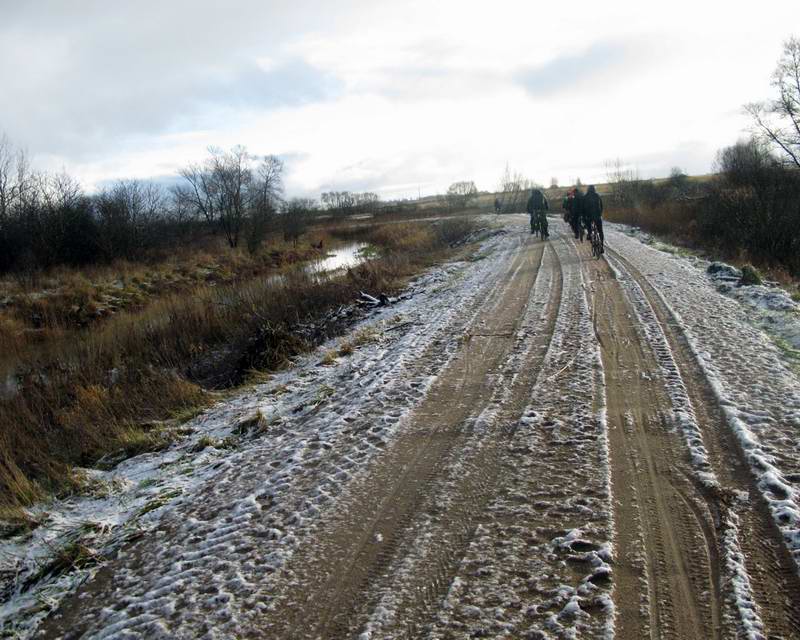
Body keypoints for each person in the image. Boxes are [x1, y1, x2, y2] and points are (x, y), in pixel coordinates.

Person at [584, 185, 604, 250]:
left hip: (589, 217)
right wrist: (600, 213)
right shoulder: (597, 196)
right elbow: (601, 205)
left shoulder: (585, 197)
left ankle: (589, 234)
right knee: (600, 231)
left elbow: (583, 208)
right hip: (598, 216)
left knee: (588, 226)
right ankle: (601, 246)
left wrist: (584, 215)